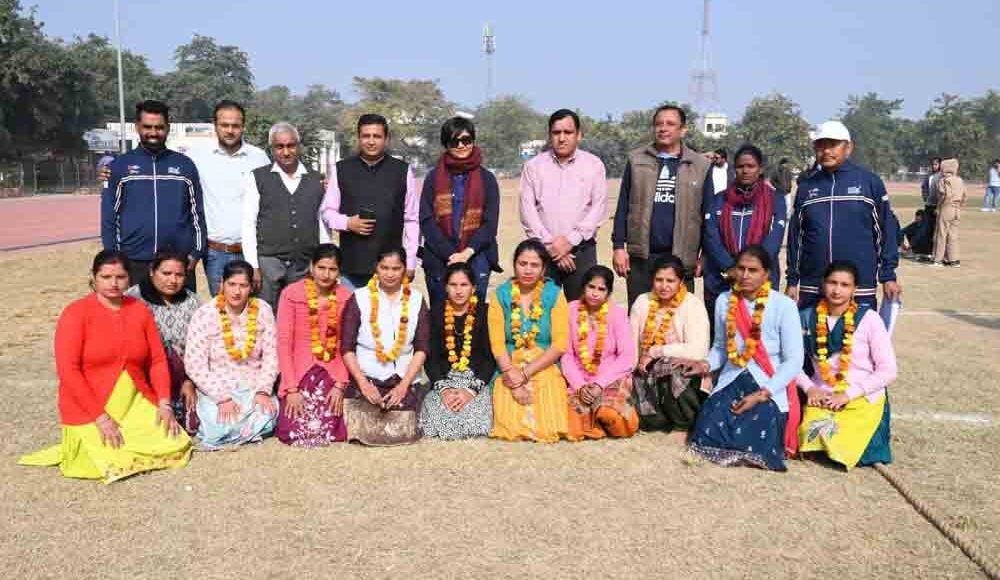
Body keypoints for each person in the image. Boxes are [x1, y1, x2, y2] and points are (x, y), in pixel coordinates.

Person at [19, 250, 191, 483]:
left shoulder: (139, 310)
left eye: (120, 277)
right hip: (92, 405)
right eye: (106, 277)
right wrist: (100, 418)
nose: (114, 283)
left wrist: (163, 403)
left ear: (129, 279)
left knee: (177, 443)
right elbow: (68, 371)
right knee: (108, 460)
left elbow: (157, 360)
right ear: (93, 277)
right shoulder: (75, 313)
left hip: (135, 400)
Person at [681, 246, 804, 471]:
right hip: (733, 376)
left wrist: (762, 393)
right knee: (709, 422)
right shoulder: (724, 300)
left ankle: (750, 452)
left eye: (753, 270)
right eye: (741, 268)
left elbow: (794, 360)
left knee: (761, 418)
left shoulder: (783, 305)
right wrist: (705, 364)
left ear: (767, 274)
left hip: (768, 382)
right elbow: (720, 347)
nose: (745, 275)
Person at [787, 121, 901, 309]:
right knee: (813, 338)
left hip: (859, 286)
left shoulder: (869, 182)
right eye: (820, 145)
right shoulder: (806, 187)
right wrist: (792, 281)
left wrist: (888, 276)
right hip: (813, 286)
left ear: (848, 148)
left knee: (857, 338)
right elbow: (795, 237)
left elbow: (886, 232)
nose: (826, 151)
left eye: (833, 144)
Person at [797, 261, 897, 470]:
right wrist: (810, 388)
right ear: (823, 285)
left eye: (845, 285)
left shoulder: (869, 319)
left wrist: (848, 394)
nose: (837, 290)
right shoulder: (806, 317)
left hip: (860, 397)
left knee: (840, 442)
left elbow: (888, 371)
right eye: (832, 283)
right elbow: (790, 362)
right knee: (812, 437)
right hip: (823, 396)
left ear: (855, 289)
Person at [612, 105, 712, 308]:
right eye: (659, 124)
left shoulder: (700, 165)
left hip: (681, 259)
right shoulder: (637, 160)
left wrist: (705, 256)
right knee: (640, 317)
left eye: (670, 124)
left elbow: (708, 214)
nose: (663, 128)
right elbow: (623, 206)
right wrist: (618, 248)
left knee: (678, 321)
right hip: (642, 257)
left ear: (683, 130)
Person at [101, 100, 207, 290]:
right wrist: (115, 257)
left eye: (159, 127)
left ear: (168, 128)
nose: (153, 133)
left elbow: (197, 214)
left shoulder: (185, 165)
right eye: (147, 127)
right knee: (137, 319)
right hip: (134, 262)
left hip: (177, 263)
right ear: (137, 127)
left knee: (181, 318)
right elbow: (110, 216)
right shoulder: (119, 166)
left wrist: (196, 252)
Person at [184, 260, 279, 450]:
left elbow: (272, 355)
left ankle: (243, 431)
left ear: (252, 287)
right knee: (216, 424)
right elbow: (195, 364)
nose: (237, 292)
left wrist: (263, 391)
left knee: (268, 414)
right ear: (222, 284)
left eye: (243, 285)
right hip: (217, 386)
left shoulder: (262, 310)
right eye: (232, 284)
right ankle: (242, 432)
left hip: (253, 384)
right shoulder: (205, 314)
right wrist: (222, 398)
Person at [340, 247, 430, 446]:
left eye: (396, 268)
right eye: (385, 268)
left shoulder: (416, 299)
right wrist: (363, 383)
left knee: (405, 425)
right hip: (367, 377)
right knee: (359, 422)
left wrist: (403, 385)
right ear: (376, 268)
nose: (390, 274)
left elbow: (422, 347)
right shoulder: (359, 297)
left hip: (403, 378)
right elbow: (346, 347)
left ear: (404, 269)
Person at [519, 109, 608, 301]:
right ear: (549, 135)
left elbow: (598, 208)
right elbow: (527, 210)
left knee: (582, 313)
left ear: (579, 135)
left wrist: (570, 242)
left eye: (567, 132)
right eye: (556, 132)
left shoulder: (594, 165)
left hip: (581, 251)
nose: (561, 138)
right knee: (539, 313)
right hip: (543, 252)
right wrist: (551, 245)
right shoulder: (533, 167)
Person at [321, 114, 419, 288]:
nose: (371, 141)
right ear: (359, 138)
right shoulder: (342, 169)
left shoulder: (402, 171)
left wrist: (410, 262)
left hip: (391, 269)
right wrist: (348, 223)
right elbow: (327, 212)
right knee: (352, 315)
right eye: (366, 136)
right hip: (352, 268)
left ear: (386, 139)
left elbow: (412, 219)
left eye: (377, 136)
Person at [488, 239, 570, 442]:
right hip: (509, 364)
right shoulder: (501, 295)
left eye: (534, 265)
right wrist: (512, 378)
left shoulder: (554, 294)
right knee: (509, 420)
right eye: (522, 264)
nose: (527, 270)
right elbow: (497, 343)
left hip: (544, 364)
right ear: (514, 264)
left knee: (548, 416)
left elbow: (559, 344)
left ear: (543, 269)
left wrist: (525, 373)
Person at [241, 122, 329, 310]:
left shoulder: (315, 180)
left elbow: (321, 223)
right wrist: (253, 266)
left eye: (291, 145)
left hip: (303, 264)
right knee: (265, 315)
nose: (286, 152)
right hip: (269, 263)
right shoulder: (258, 178)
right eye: (279, 147)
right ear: (272, 149)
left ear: (299, 146)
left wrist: (325, 259)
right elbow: (249, 223)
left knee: (301, 314)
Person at [702, 144, 787, 338]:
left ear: (761, 168)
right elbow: (711, 236)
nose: (745, 170)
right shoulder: (719, 200)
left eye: (751, 166)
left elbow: (774, 238)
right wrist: (732, 269)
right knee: (722, 339)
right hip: (722, 279)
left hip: (762, 280)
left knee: (759, 337)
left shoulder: (775, 199)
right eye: (740, 166)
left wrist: (753, 271)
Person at [186, 101, 271, 294]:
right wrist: (110, 172)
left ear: (243, 126)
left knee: (253, 311)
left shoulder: (258, 158)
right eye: (224, 125)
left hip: (254, 253)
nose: (230, 130)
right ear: (215, 125)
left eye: (236, 125)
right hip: (216, 253)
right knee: (223, 313)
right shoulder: (197, 156)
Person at [419, 117, 501, 309]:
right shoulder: (433, 177)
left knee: (474, 317)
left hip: (477, 256)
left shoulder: (487, 178)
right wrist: (451, 255)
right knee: (441, 317)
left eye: (466, 140)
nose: (461, 145)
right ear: (446, 144)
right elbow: (427, 220)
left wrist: (466, 253)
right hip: (440, 258)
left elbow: (490, 223)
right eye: (455, 141)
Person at [274, 244, 352, 447]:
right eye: (321, 267)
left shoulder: (346, 297)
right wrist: (291, 389)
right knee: (290, 431)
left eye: (332, 269)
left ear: (339, 272)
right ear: (311, 267)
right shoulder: (291, 294)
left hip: (332, 374)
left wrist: (340, 384)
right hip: (298, 374)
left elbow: (348, 345)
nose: (326, 275)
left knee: (331, 430)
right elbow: (284, 344)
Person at [629, 255, 711, 440]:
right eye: (659, 280)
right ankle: (656, 418)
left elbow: (698, 350)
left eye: (670, 281)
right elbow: (631, 345)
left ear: (681, 282)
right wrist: (630, 372)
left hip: (683, 374)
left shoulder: (692, 304)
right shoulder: (642, 302)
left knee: (669, 365)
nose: (663, 286)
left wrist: (656, 352)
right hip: (646, 374)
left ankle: (684, 423)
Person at [125, 250, 202, 434]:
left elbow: (203, 347)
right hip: (144, 376)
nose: (172, 280)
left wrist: (190, 380)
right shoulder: (132, 299)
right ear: (152, 271)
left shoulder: (194, 302)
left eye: (179, 275)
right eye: (166, 273)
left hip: (186, 375)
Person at [419, 262, 497, 440]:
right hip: (445, 381)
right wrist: (445, 389)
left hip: (475, 381)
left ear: (474, 287)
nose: (459, 291)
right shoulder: (435, 314)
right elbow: (430, 359)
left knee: (476, 424)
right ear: (446, 287)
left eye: (464, 285)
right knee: (430, 425)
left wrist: (470, 391)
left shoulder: (485, 313)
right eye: (453, 285)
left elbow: (489, 358)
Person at [560, 265, 638, 440]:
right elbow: (567, 354)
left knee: (610, 416)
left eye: (601, 289)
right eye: (591, 287)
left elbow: (626, 356)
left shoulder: (617, 313)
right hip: (579, 381)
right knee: (570, 428)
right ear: (583, 287)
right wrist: (580, 386)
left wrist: (599, 384)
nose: (595, 293)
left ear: (608, 293)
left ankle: (598, 419)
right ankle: (591, 423)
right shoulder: (570, 310)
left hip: (610, 379)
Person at [931, 158, 967, 267]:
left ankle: (938, 259)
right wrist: (960, 206)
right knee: (953, 235)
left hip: (946, 207)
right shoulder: (960, 180)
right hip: (957, 209)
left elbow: (943, 196)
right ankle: (954, 260)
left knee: (941, 234)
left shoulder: (943, 181)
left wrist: (938, 207)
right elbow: (965, 196)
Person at [917, 157, 942, 257]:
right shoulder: (929, 176)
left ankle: (937, 252)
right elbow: (924, 187)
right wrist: (925, 198)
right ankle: (927, 251)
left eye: (936, 164)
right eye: (933, 164)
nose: (934, 166)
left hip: (939, 206)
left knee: (938, 229)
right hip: (929, 205)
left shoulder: (942, 176)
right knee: (927, 229)